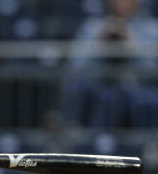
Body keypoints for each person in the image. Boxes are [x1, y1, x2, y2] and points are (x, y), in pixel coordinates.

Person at [62, 0, 158, 128]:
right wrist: (99, 46)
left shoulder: (151, 29)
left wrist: (134, 49)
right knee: (107, 97)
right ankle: (92, 144)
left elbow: (153, 71)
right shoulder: (92, 27)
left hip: (138, 90)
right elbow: (76, 67)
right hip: (100, 89)